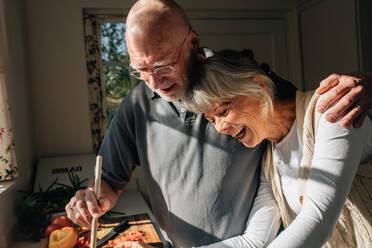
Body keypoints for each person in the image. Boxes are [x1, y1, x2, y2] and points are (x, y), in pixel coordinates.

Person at [65, 0, 372, 247]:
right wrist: (93, 193)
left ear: (192, 41)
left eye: (162, 65)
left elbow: (297, 115)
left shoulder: (246, 84)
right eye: (141, 70)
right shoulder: (136, 106)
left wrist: (366, 83)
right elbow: (108, 177)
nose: (154, 81)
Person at [181, 49, 372, 247]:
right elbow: (253, 241)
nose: (220, 128)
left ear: (260, 85)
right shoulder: (270, 161)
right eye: (212, 120)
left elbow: (317, 219)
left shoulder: (331, 111)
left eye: (224, 111)